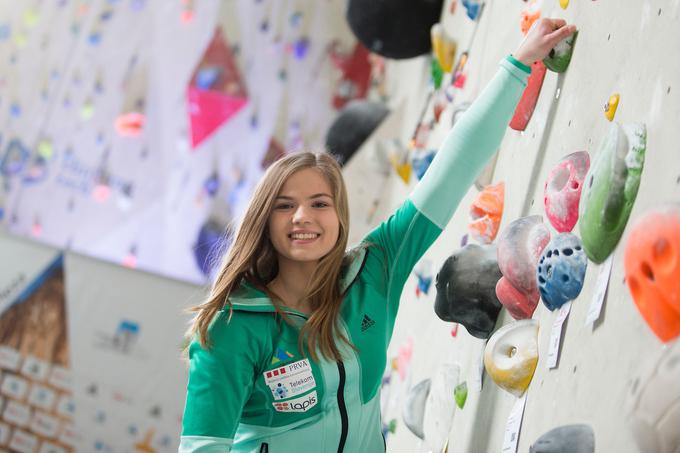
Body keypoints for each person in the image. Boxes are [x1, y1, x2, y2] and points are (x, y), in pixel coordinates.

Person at [180, 18, 577, 453]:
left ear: (339, 216)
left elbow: (451, 170)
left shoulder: (375, 268)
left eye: (319, 203)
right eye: (284, 205)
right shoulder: (233, 327)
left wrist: (517, 65)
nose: (302, 218)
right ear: (263, 220)